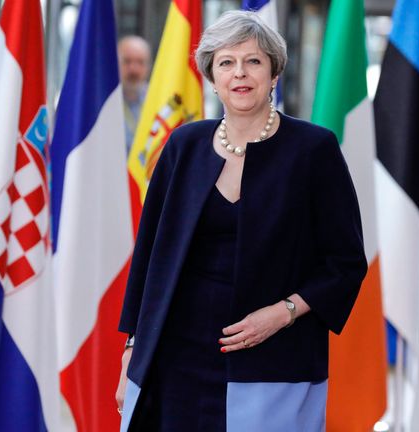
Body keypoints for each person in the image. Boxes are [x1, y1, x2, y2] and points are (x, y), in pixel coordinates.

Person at [115, 10, 367, 432]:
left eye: (253, 61)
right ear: (212, 76)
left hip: (275, 352)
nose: (240, 73)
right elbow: (149, 258)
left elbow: (345, 264)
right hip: (177, 353)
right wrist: (133, 349)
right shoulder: (184, 145)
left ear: (274, 72)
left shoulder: (314, 149)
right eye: (226, 62)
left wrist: (283, 313)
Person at [118, 35, 152, 157]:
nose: (134, 69)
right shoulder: (103, 104)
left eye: (140, 62)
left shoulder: (158, 101)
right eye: (127, 61)